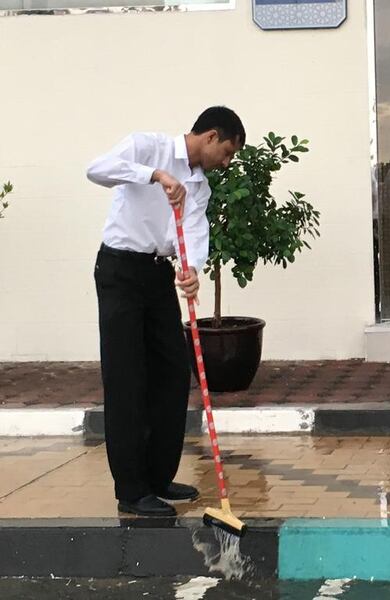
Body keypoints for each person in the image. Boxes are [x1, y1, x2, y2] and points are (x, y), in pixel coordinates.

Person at [87, 106, 246, 516]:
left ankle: (158, 476)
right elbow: (97, 169)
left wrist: (191, 270)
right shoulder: (148, 146)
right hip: (120, 269)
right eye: (226, 152)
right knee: (127, 378)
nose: (226, 163)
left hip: (158, 276)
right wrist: (154, 175)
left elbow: (192, 233)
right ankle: (132, 490)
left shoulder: (201, 185)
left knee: (174, 372)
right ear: (210, 136)